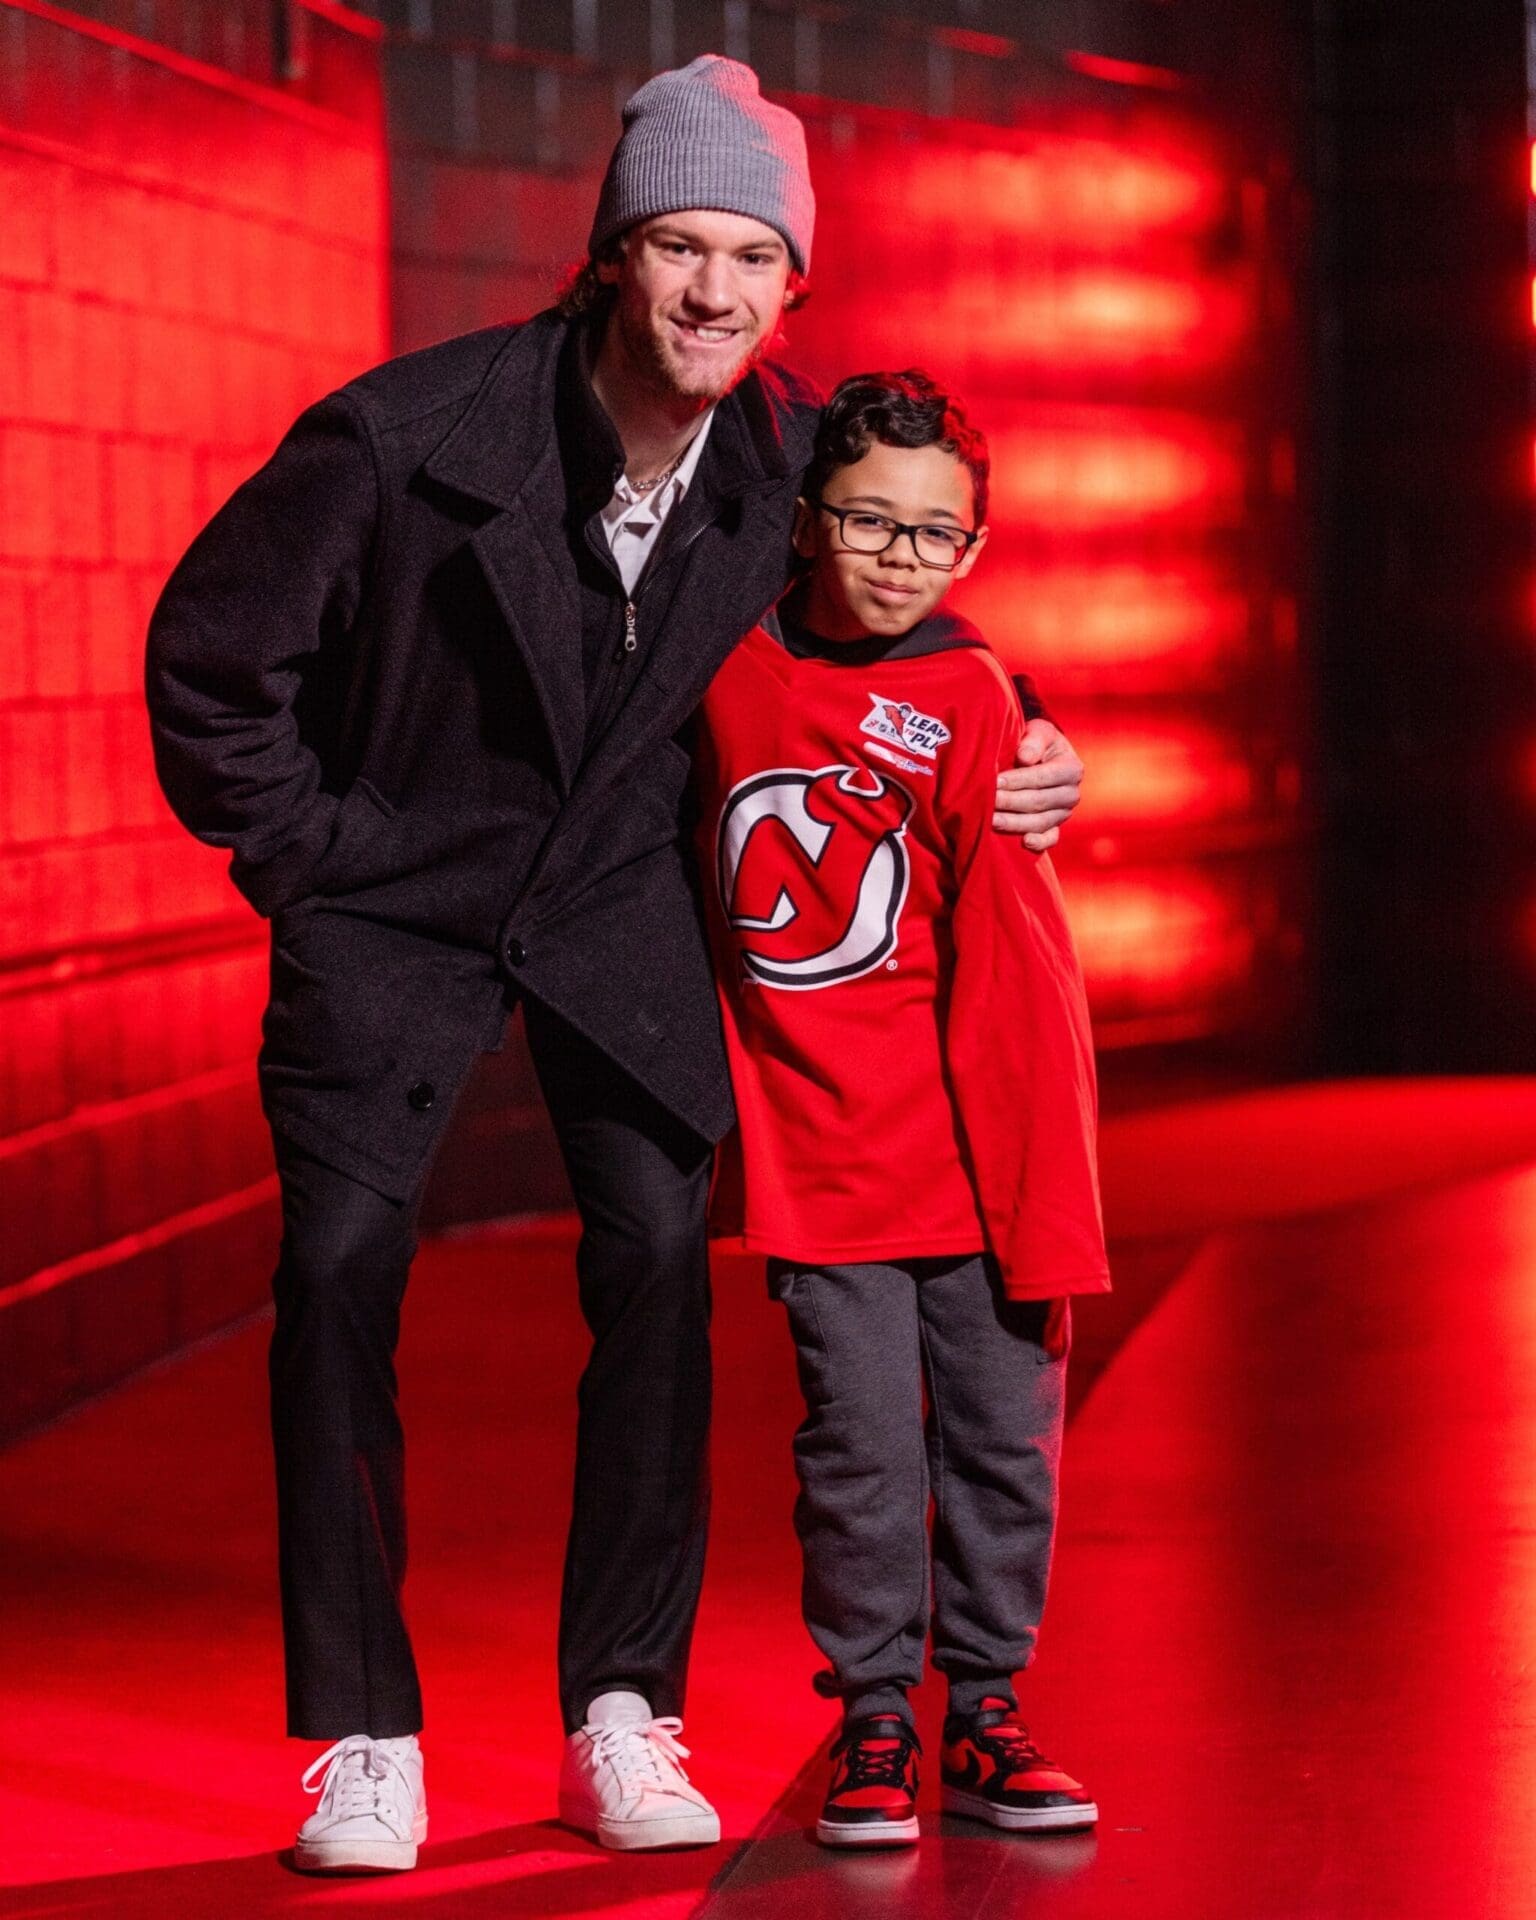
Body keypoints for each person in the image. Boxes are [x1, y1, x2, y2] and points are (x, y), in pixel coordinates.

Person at [144, 56, 1085, 1870]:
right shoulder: (403, 436)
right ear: (609, 256)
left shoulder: (785, 457)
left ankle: (622, 1710)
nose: (715, 291)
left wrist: (1024, 719)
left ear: (792, 283)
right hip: (395, 899)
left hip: (622, 904)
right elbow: (210, 663)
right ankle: (364, 1736)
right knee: (337, 1270)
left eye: (754, 255)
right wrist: (316, 854)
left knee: (657, 1256)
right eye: (678, 245)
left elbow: (895, 587)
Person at [693, 370, 1110, 1848]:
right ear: (808, 520)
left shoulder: (969, 691)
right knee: (859, 1455)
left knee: (1002, 1441)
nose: (900, 558)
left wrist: (1043, 1188)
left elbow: (1019, 967)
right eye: (870, 520)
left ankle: (985, 1708)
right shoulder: (721, 663)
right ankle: (874, 1718)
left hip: (977, 1158)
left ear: (972, 549)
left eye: (938, 534)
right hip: (822, 1159)